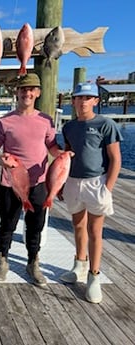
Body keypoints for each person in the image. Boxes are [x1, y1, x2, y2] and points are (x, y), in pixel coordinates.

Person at [0, 73, 62, 287]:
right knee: (7, 224)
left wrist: (64, 156)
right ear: (17, 92)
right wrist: (0, 160)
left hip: (39, 182)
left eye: (31, 89)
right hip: (10, 182)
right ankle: (3, 260)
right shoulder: (4, 122)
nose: (27, 93)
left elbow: (52, 147)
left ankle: (33, 262)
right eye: (23, 89)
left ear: (38, 93)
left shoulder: (46, 120)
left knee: (35, 225)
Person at [60, 82, 122, 303]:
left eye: (88, 98)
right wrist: (60, 184)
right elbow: (66, 156)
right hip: (73, 181)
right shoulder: (68, 127)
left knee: (95, 229)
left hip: (97, 182)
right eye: (79, 97)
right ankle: (79, 264)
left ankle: (94, 276)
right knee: (77, 224)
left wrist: (108, 188)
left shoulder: (106, 124)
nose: (83, 102)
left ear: (95, 100)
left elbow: (115, 159)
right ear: (73, 101)